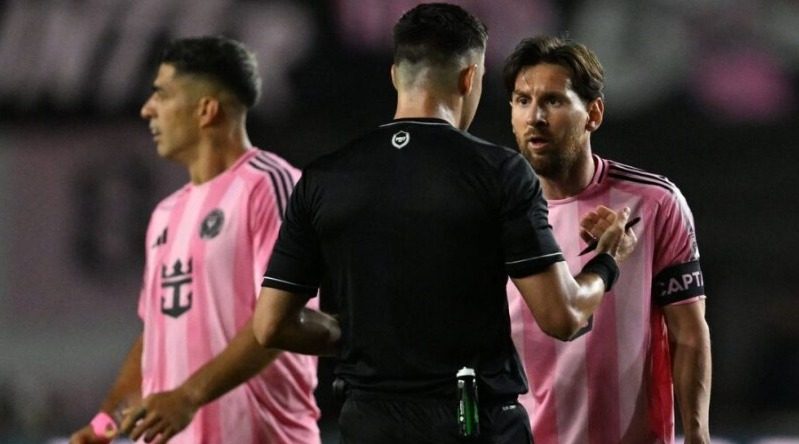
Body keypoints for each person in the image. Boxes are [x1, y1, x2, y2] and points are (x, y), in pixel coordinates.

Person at [244, 4, 635, 444]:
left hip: (368, 423)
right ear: (469, 77)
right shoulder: (499, 172)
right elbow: (562, 316)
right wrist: (606, 263)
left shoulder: (323, 178)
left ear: (396, 76)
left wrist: (364, 335)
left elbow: (271, 325)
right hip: (471, 422)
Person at [69, 36, 320, 444]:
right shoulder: (166, 215)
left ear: (206, 110)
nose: (147, 109)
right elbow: (155, 338)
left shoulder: (272, 186)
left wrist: (189, 395)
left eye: (162, 94)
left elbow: (285, 320)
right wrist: (103, 427)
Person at [502, 36, 711, 444]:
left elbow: (688, 332)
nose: (535, 117)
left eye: (553, 100)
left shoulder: (653, 202)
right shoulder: (493, 209)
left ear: (593, 113)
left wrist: (698, 434)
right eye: (522, 100)